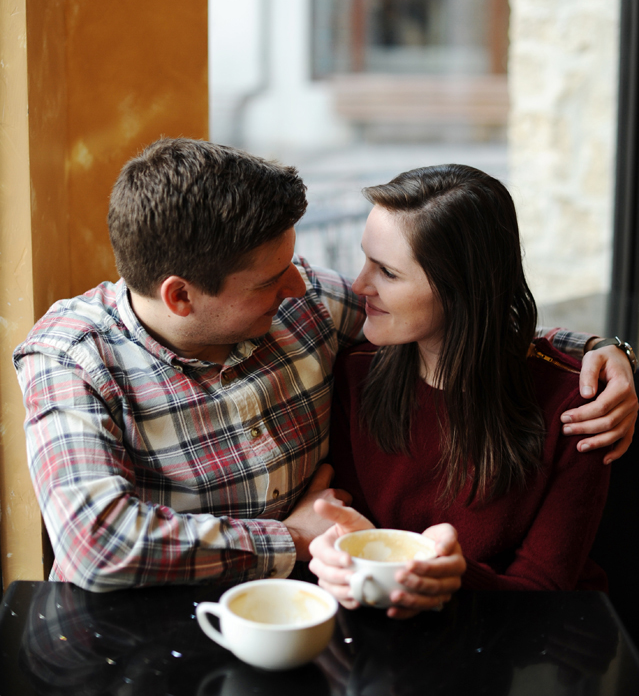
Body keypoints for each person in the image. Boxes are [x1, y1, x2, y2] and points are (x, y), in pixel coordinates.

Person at [13, 140, 637, 594]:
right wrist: (293, 540)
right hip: (136, 637)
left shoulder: (306, 306)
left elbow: (460, 320)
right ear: (181, 296)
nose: (301, 284)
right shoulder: (72, 359)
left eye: (294, 260)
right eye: (268, 279)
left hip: (312, 620)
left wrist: (601, 353)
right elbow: (98, 546)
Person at [309, 164, 625, 617]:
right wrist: (335, 559)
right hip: (391, 635)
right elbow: (357, 539)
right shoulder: (355, 375)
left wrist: (455, 580)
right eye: (365, 260)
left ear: (461, 288)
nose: (359, 285)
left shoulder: (575, 406)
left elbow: (547, 588)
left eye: (388, 273)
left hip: (532, 643)